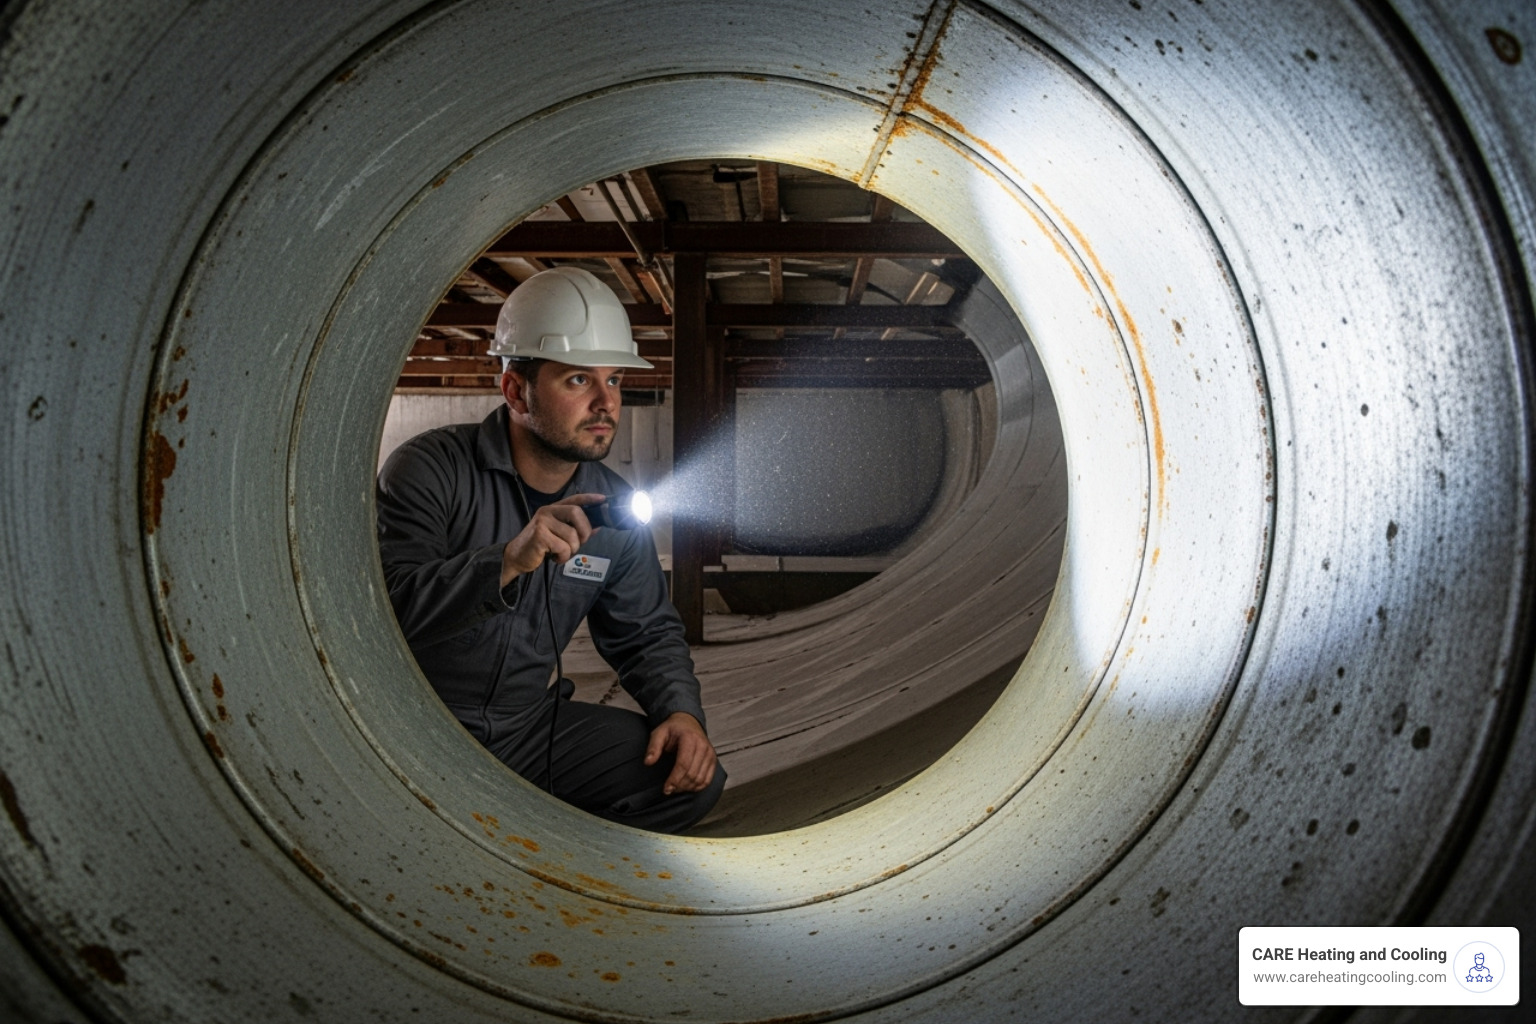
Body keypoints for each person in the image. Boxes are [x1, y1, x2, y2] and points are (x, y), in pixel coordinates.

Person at [376, 266, 724, 833]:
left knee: (689, 779)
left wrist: (680, 711)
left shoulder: (613, 507)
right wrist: (506, 562)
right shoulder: (430, 469)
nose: (606, 402)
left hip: (525, 730)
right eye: (578, 381)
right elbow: (387, 608)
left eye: (614, 380)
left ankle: (514, 840)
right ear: (516, 390)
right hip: (415, 726)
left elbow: (647, 632)